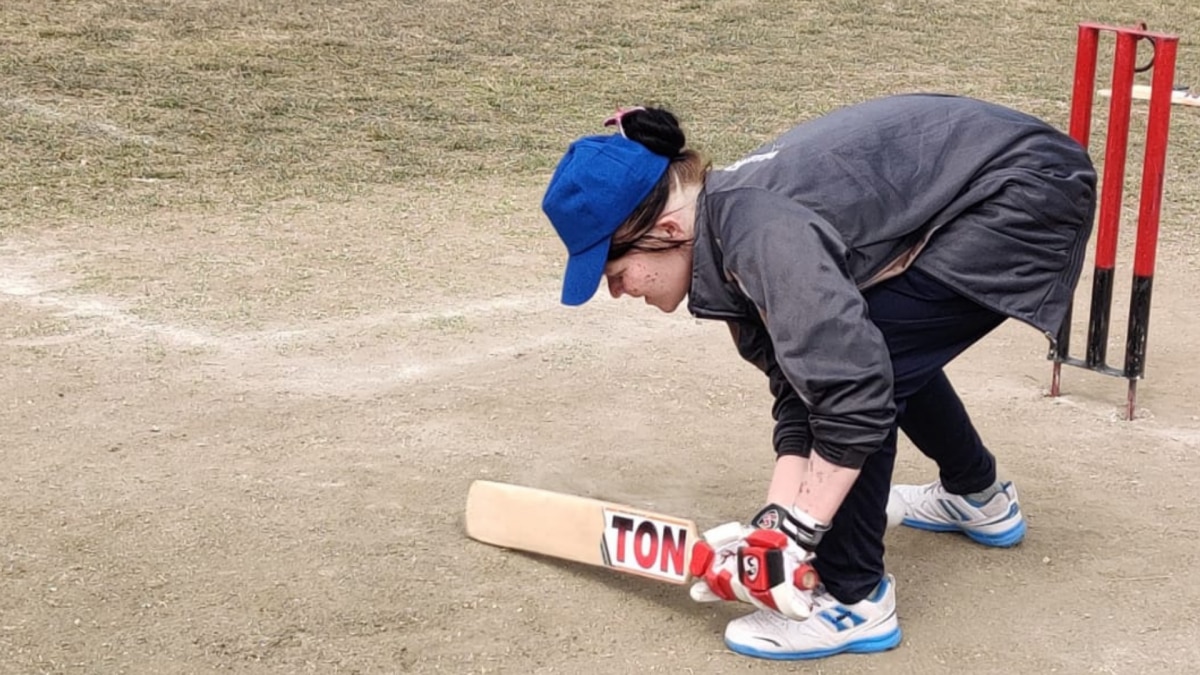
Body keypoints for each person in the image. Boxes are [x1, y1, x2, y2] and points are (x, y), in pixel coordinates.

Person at [539, 94, 1097, 660]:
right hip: (995, 178)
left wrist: (800, 536)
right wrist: (774, 528)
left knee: (868, 364)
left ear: (664, 230)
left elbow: (850, 393)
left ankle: (854, 601)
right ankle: (977, 497)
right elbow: (795, 384)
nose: (615, 289)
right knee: (868, 348)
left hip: (1023, 190)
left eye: (614, 268)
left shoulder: (762, 239)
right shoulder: (724, 235)